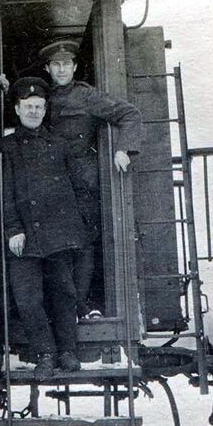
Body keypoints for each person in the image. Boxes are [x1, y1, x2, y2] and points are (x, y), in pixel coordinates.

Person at [39, 39, 143, 319]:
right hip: (50, 183)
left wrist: (123, 149)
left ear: (74, 67)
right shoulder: (42, 97)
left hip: (82, 183)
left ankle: (81, 306)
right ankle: (64, 309)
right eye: (56, 64)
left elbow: (129, 114)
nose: (62, 69)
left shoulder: (86, 96)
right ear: (48, 68)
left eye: (66, 64)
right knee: (56, 248)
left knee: (84, 245)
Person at [1, 77, 88, 380]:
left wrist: (75, 228)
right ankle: (45, 355)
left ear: (45, 109)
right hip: (23, 237)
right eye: (28, 106)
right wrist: (13, 229)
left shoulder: (59, 144)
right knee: (28, 300)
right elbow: (5, 193)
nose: (34, 111)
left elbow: (76, 186)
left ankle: (68, 352)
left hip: (58, 235)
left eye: (39, 106)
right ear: (17, 108)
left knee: (64, 294)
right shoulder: (8, 147)